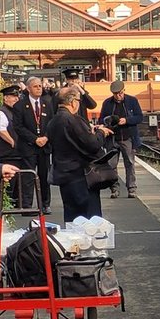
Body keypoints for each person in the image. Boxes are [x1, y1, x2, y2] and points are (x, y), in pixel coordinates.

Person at [46, 87, 114, 222]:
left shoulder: (52, 122)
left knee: (72, 218)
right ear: (72, 102)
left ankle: (74, 242)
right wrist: (101, 133)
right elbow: (92, 144)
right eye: (78, 100)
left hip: (64, 175)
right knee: (89, 218)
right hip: (80, 175)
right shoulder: (73, 119)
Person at [12, 77, 54, 214]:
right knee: (28, 177)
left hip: (44, 146)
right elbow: (18, 126)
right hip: (29, 146)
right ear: (28, 89)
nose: (39, 88)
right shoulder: (20, 105)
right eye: (35, 86)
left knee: (44, 176)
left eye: (40, 86)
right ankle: (27, 205)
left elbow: (52, 123)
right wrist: (35, 139)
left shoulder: (47, 104)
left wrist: (46, 137)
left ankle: (45, 204)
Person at [100, 80, 143, 198]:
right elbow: (101, 119)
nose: (118, 96)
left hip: (127, 137)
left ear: (124, 90)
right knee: (111, 164)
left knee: (129, 163)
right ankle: (114, 188)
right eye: (115, 94)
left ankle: (131, 188)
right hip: (112, 138)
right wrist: (107, 121)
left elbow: (139, 117)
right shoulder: (107, 103)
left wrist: (127, 120)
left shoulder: (132, 101)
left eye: (120, 93)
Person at [0, 85, 22, 206]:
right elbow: (1, 130)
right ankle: (7, 204)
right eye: (13, 97)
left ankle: (15, 203)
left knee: (16, 181)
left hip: (16, 154)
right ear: (6, 98)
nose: (16, 99)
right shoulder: (2, 112)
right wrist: (12, 141)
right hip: (7, 154)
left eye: (17, 96)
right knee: (8, 182)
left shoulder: (15, 111)